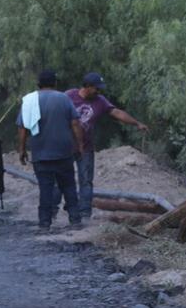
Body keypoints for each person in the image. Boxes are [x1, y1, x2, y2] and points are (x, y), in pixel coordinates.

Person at [50, 72, 148, 220]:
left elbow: (116, 112)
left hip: (86, 148)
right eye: (96, 88)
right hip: (65, 147)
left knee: (86, 182)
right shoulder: (68, 95)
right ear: (87, 86)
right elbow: (52, 112)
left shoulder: (100, 101)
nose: (99, 91)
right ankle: (51, 213)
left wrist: (136, 123)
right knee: (59, 181)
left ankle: (84, 215)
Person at [16, 70, 84, 231]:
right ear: (55, 83)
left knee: (45, 188)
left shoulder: (29, 100)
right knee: (68, 186)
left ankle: (44, 223)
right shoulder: (64, 98)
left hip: (40, 153)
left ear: (38, 84)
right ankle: (75, 220)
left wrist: (22, 149)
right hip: (64, 151)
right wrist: (79, 145)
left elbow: (23, 127)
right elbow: (75, 124)